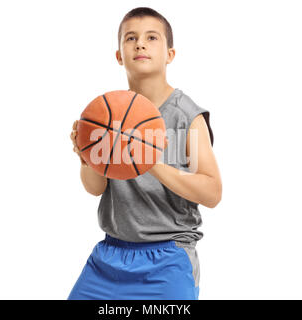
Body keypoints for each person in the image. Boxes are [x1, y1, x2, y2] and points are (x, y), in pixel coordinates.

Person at [68, 7, 222, 300]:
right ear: (119, 56)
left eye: (152, 37)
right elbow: (95, 187)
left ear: (170, 54)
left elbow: (213, 192)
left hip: (168, 256)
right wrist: (86, 156)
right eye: (130, 38)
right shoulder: (105, 114)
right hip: (112, 254)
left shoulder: (186, 115)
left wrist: (149, 159)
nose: (140, 43)